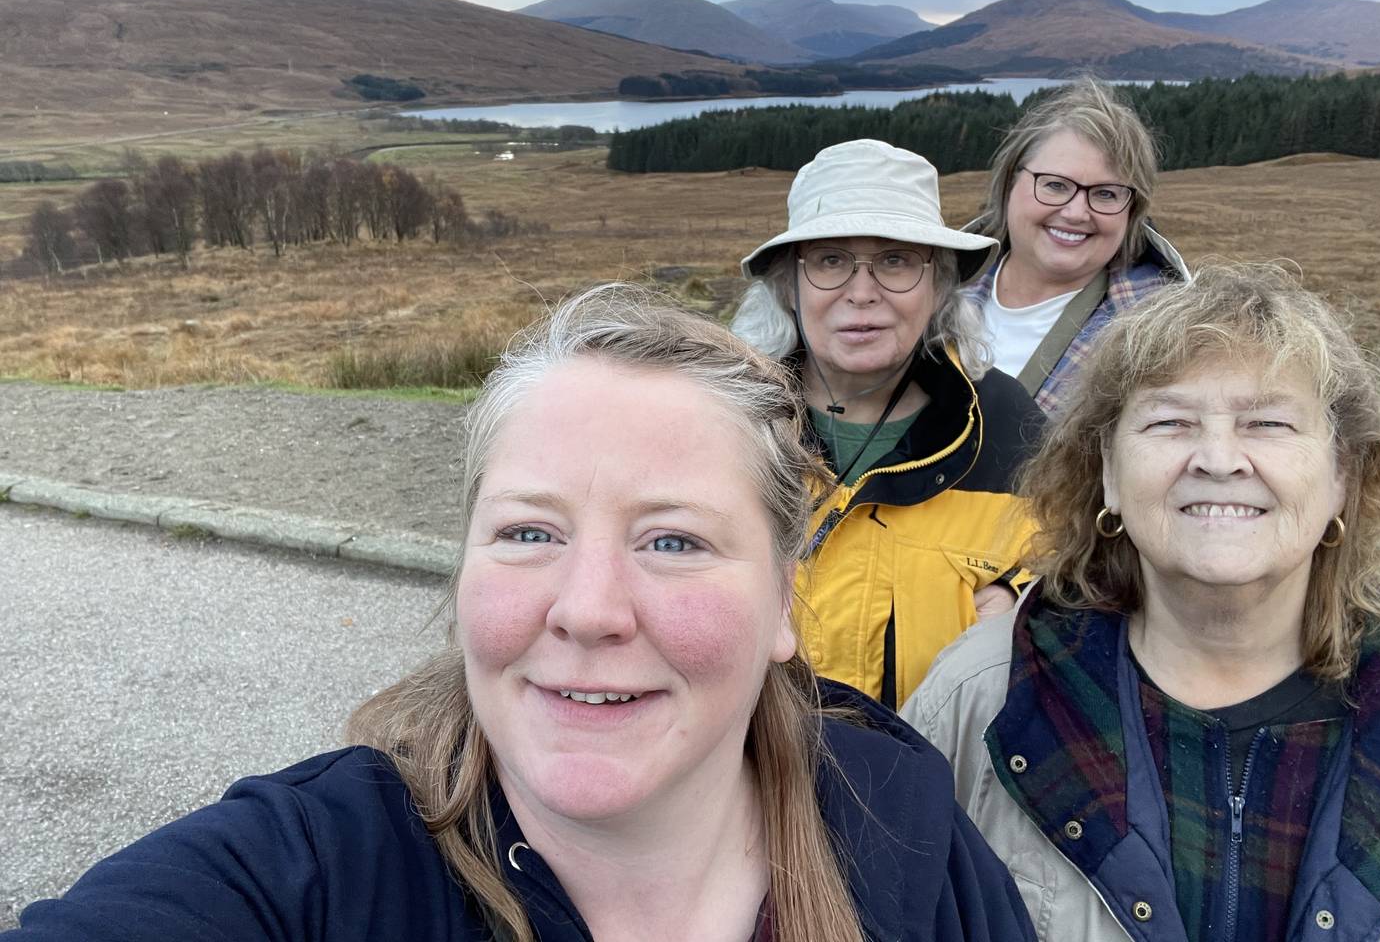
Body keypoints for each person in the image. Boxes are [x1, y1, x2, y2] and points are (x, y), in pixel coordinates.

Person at [7, 285, 1037, 942]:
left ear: (782, 601)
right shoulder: (311, 872)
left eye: (673, 541)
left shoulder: (907, 830)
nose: (588, 611)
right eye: (529, 532)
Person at [902, 263, 1380, 941]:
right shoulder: (979, 697)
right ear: (1107, 471)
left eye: (1268, 422)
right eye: (1171, 422)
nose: (1218, 458)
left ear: (1343, 475)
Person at [731, 138, 1042, 711]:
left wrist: (1020, 599)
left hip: (932, 765)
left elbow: (1074, 568)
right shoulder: (729, 421)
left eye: (896, 261)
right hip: (749, 757)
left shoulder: (1007, 425)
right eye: (829, 261)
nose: (861, 293)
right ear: (787, 286)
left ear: (938, 286)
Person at [965, 78, 1188, 415]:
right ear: (1010, 182)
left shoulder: (1160, 335)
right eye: (1055, 185)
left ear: (1132, 211)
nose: (1075, 213)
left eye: (1106, 193)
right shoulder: (937, 287)